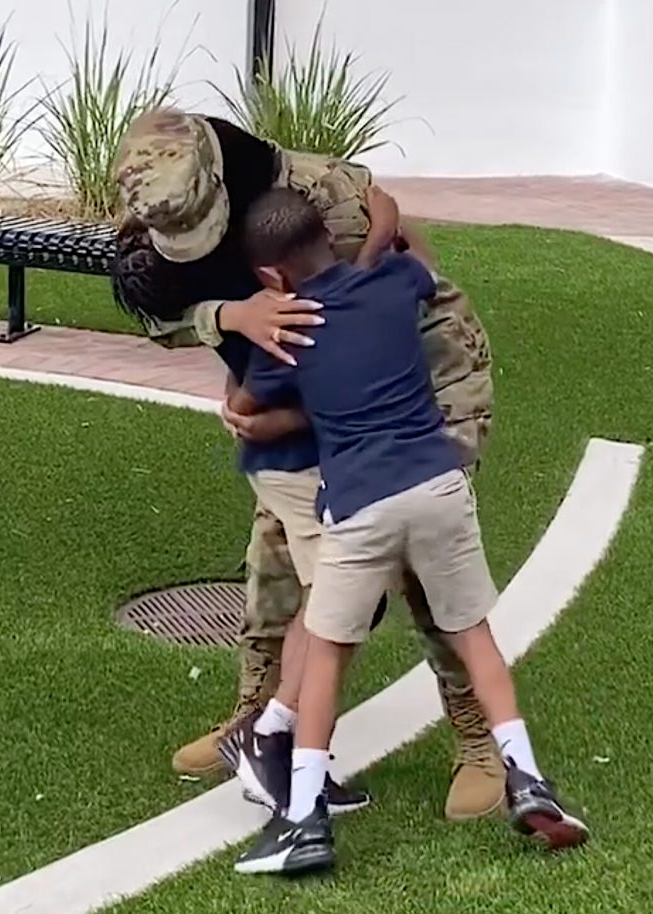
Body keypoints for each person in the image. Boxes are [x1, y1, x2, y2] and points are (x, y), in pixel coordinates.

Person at [112, 108, 503, 820]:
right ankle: (258, 724)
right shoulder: (154, 198)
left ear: (221, 181)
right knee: (276, 555)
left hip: (421, 386)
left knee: (422, 562)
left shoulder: (321, 200)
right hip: (309, 389)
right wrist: (232, 319)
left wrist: (277, 410)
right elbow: (155, 312)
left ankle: (478, 740)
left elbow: (391, 297)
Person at [229, 188, 589, 875]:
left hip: (359, 504)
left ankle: (302, 819)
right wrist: (379, 228)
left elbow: (248, 415)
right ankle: (528, 779)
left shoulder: (286, 331)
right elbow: (407, 241)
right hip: (438, 486)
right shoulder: (394, 282)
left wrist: (277, 401)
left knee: (327, 652)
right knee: (474, 635)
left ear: (273, 276)